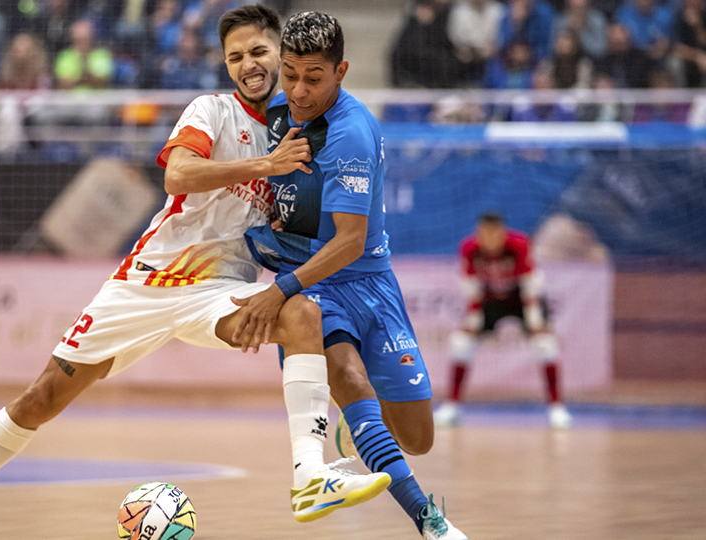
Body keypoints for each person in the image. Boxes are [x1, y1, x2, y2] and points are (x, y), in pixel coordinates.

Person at [0, 6, 391, 539]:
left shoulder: (301, 128)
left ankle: (309, 477)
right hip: (148, 283)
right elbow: (177, 176)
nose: (248, 64)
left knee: (301, 311)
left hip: (220, 289)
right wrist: (263, 167)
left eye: (258, 51)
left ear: (281, 54)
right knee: (41, 398)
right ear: (224, 65)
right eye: (235, 56)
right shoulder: (211, 110)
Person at [241, 11, 467, 540]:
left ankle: (360, 428)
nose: (298, 89)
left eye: (313, 78)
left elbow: (350, 242)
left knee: (417, 437)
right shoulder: (271, 111)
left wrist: (277, 291)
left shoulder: (352, 134)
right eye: (290, 73)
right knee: (347, 377)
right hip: (314, 286)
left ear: (340, 71)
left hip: (365, 279)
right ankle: (430, 523)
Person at [433, 213, 573, 430]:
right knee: (460, 343)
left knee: (546, 345)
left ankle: (557, 408)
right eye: (484, 234)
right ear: (479, 233)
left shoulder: (518, 244)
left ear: (502, 232)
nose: (489, 239)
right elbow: (471, 285)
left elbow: (529, 282)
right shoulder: (470, 248)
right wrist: (473, 317)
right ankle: (452, 407)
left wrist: (534, 320)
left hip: (521, 299)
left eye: (493, 234)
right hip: (490, 301)